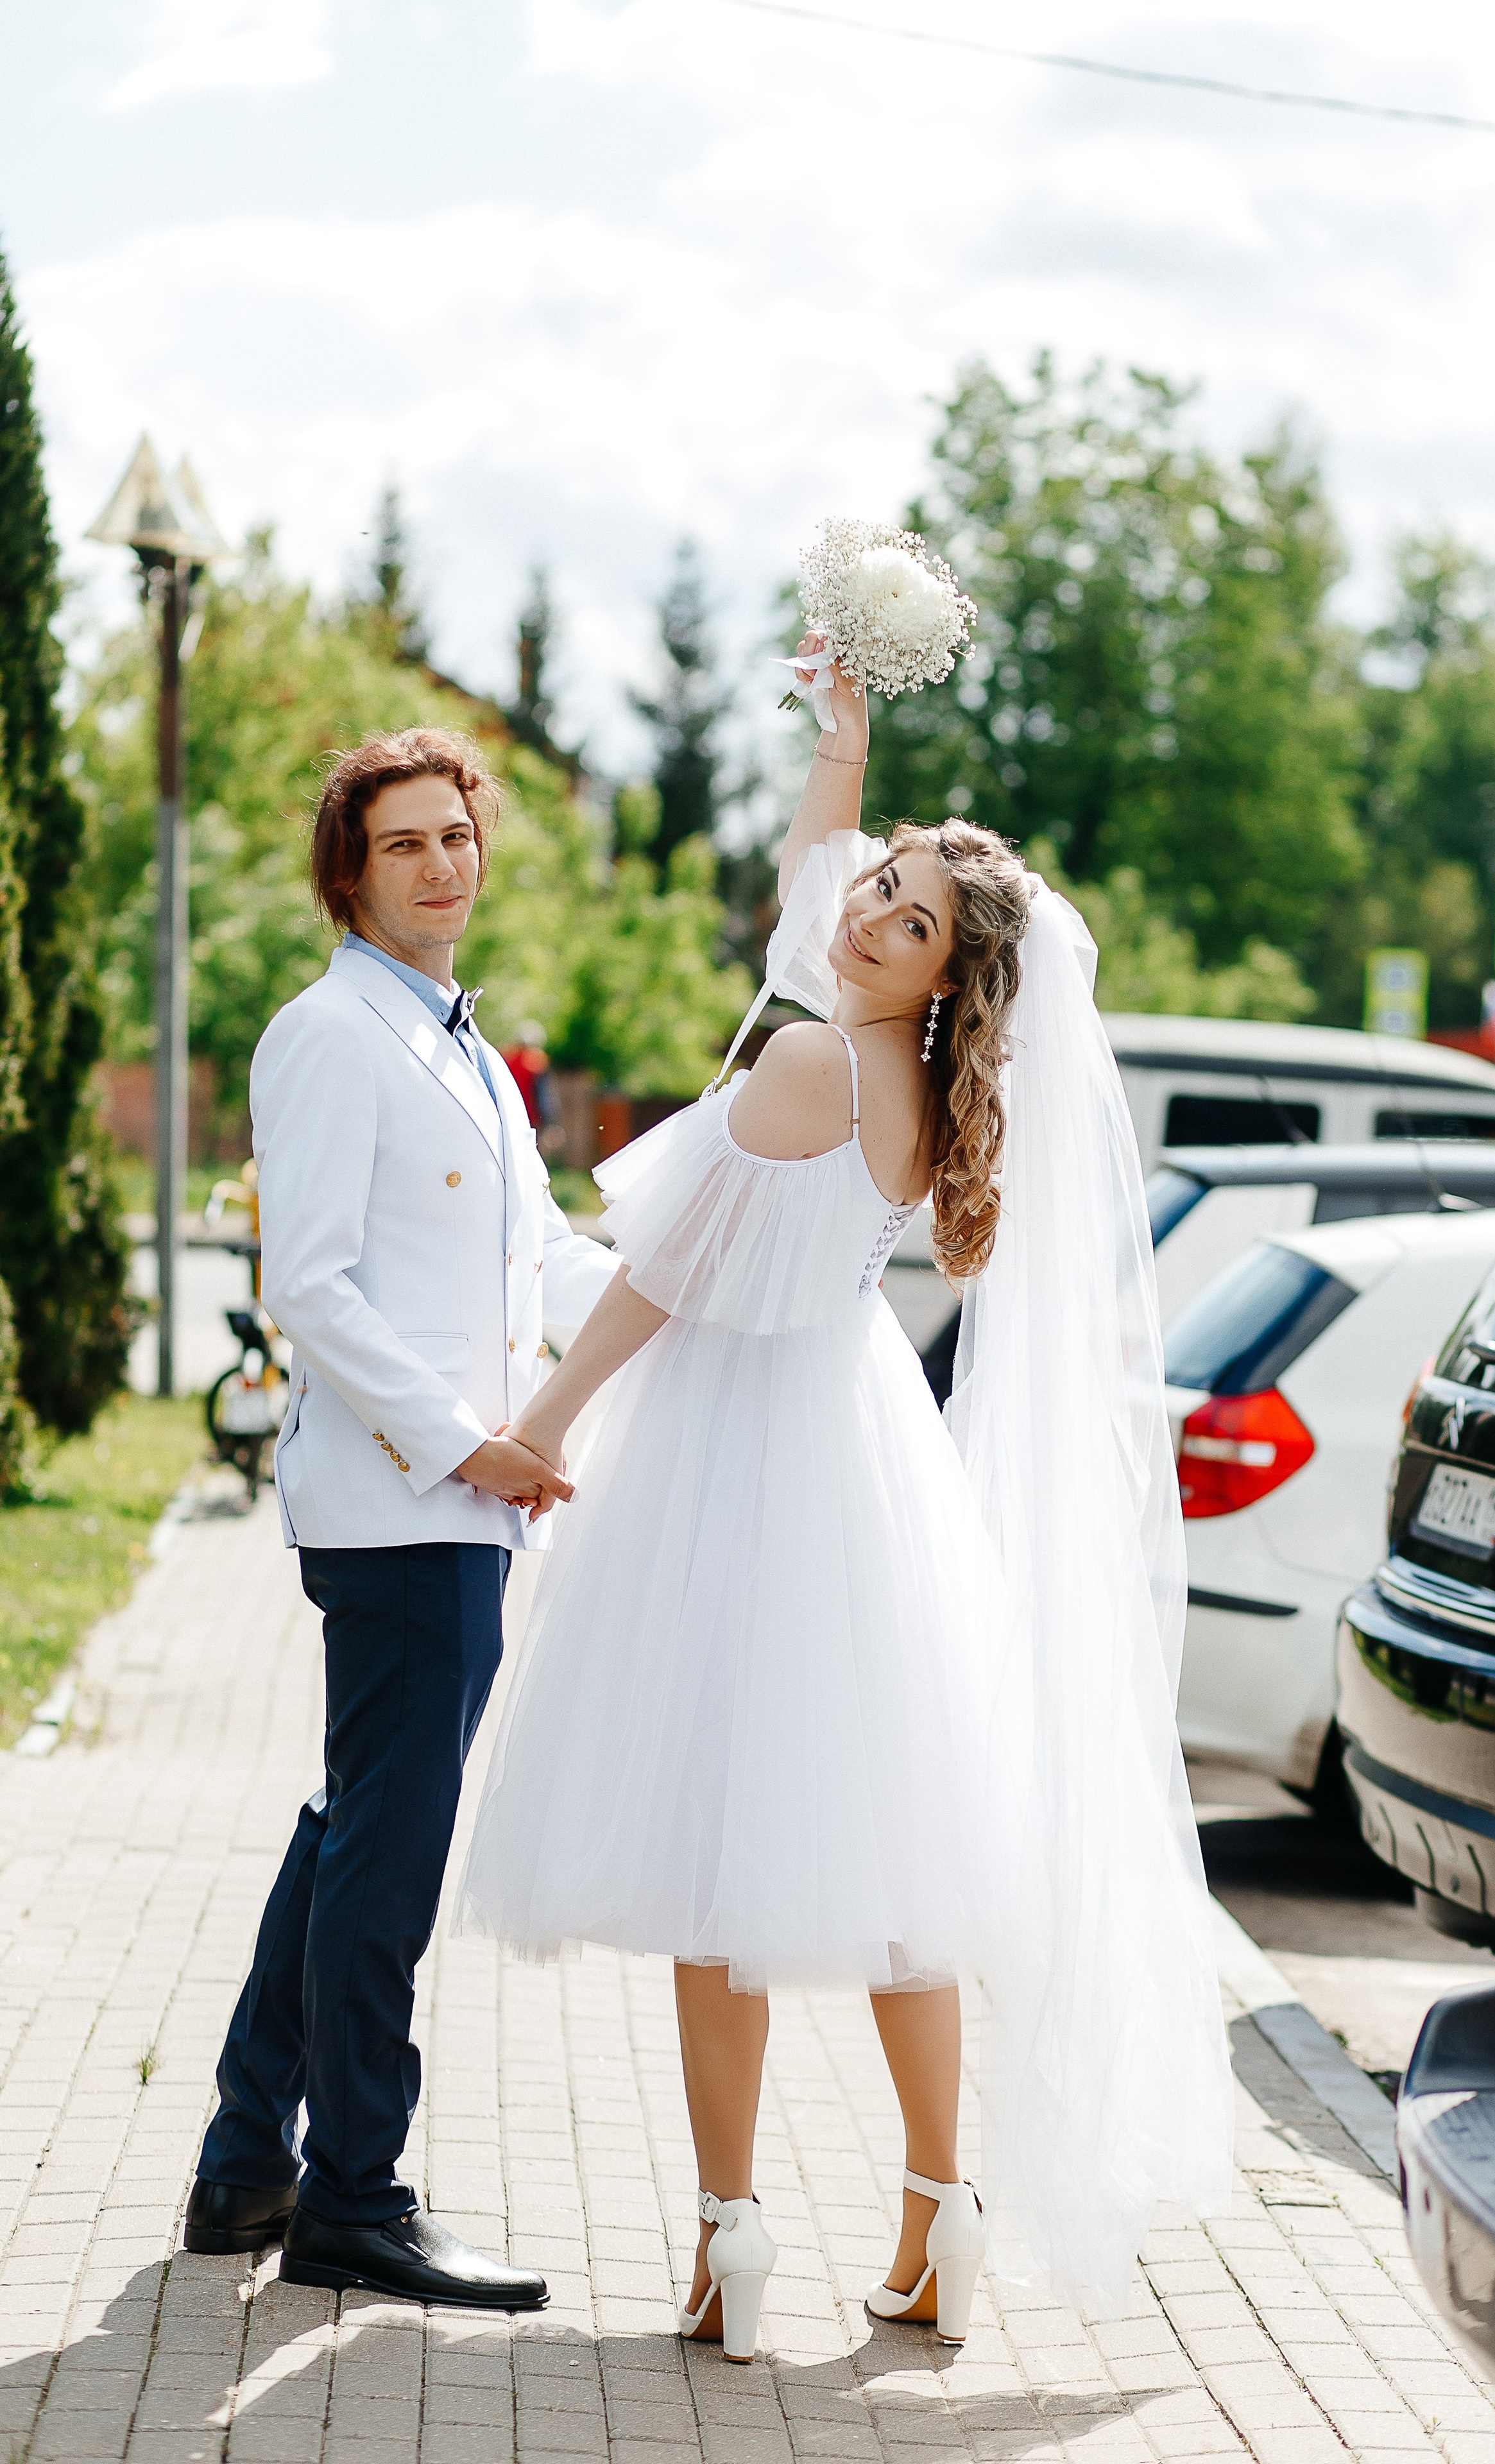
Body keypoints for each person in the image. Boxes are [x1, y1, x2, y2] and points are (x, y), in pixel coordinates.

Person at [459, 647, 1233, 2354]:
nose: (867, 906)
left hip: (734, 1449)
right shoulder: (909, 1086)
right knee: (898, 1865)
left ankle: (734, 2234)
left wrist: (545, 1415)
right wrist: (843, 746)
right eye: (881, 882)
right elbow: (818, 880)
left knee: (709, 1865)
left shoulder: (814, 1063)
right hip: (854, 1444)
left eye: (906, 917)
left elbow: (663, 1270)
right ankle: (939, 2217)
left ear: (946, 979)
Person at [184, 728, 616, 2310]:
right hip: (404, 1506)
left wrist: (681, 1290)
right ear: (349, 874)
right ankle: (353, 2196)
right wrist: (466, 1448)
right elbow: (307, 1282)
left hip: (456, 1507)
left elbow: (542, 1261)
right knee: (391, 1851)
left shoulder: (456, 1045)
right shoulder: (328, 1033)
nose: (445, 862)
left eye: (458, 835)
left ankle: (246, 2163)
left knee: (351, 1828)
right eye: (407, 844)